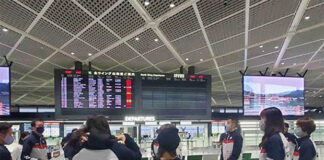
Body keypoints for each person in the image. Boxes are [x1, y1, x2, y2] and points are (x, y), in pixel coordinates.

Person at [71, 115, 141, 160]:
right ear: (107, 129)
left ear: (88, 130)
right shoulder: (118, 150)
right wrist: (126, 137)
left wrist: (79, 139)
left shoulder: (78, 153)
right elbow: (137, 156)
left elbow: (68, 149)